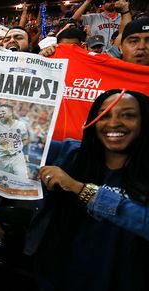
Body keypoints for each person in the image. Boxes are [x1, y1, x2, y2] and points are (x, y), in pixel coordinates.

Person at [26, 89, 149, 291]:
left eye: (128, 115)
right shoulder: (69, 154)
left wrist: (79, 189)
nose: (114, 123)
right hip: (58, 280)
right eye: (104, 115)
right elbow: (14, 141)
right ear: (93, 121)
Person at [0, 104, 29, 178]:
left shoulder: (21, 125)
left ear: (11, 113)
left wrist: (26, 154)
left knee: (22, 180)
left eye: (3, 112)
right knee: (4, 182)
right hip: (3, 158)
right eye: (0, 112)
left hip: (17, 157)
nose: (0, 114)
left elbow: (25, 140)